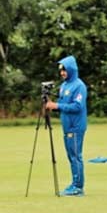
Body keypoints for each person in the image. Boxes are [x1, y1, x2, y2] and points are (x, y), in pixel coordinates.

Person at [44, 55, 88, 197]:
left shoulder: (79, 86)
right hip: (67, 126)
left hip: (76, 126)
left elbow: (77, 106)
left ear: (71, 70)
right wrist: (51, 105)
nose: (62, 73)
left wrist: (56, 105)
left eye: (65, 70)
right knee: (71, 156)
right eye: (61, 70)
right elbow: (63, 106)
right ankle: (74, 183)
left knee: (76, 156)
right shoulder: (64, 86)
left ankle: (78, 187)